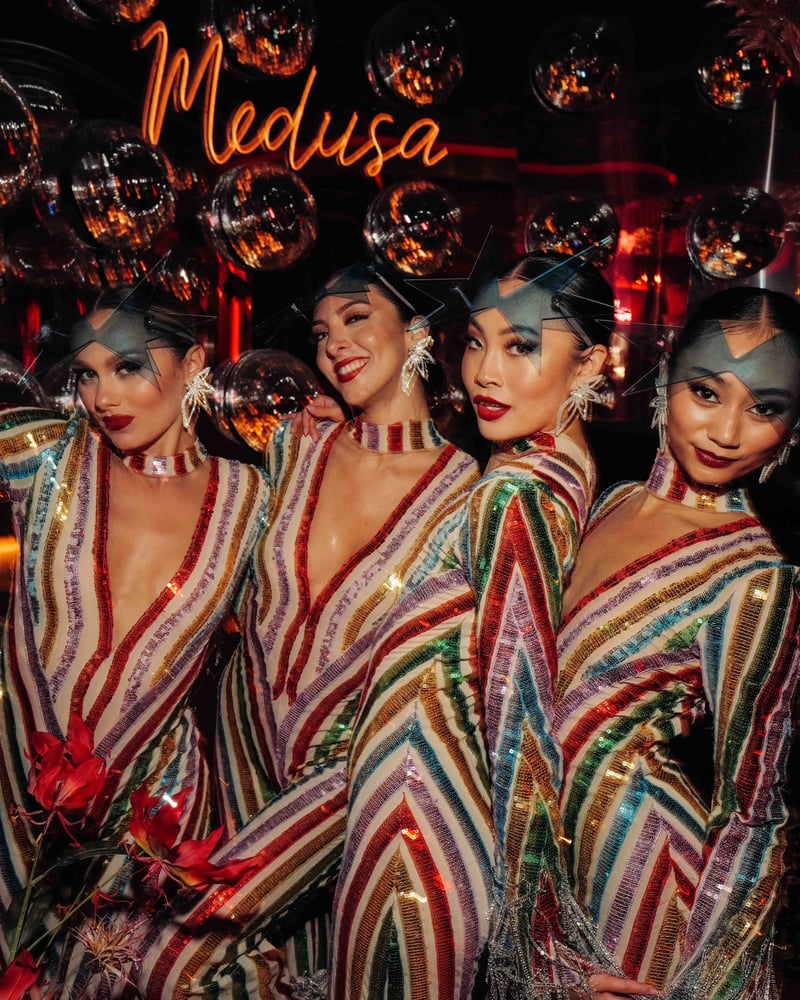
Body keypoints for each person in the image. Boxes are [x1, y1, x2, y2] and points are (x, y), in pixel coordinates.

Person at [134, 257, 482, 999]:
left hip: (345, 775)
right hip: (239, 743)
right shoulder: (294, 446)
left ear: (417, 329)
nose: (334, 345)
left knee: (181, 955)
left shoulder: (472, 495)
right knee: (297, 962)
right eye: (322, 332)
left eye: (357, 320)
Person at [325, 248, 658, 1000]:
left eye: (521, 347)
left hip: (418, 813)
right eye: (475, 341)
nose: (482, 373)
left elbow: (519, 708)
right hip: (417, 798)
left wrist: (543, 938)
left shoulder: (521, 489)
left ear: (590, 364)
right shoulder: (563, 470)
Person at [0, 282, 270, 995]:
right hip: (16, 813)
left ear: (194, 362)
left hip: (154, 825)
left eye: (127, 367)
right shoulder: (44, 457)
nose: (103, 395)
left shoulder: (251, 498)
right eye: (86, 373)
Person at [550, 285, 800, 1000]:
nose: (726, 430)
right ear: (664, 378)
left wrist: (706, 983)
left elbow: (752, 806)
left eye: (765, 408)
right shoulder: (611, 500)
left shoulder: (756, 573)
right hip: (540, 857)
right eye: (706, 392)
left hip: (649, 888)